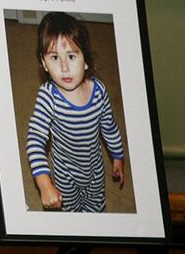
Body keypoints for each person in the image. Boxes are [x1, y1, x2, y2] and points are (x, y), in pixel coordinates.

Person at [26, 12, 124, 212]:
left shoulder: (99, 92)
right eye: (54, 57)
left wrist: (117, 155)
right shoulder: (48, 97)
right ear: (44, 64)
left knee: (95, 210)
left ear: (86, 60)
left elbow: (109, 127)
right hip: (65, 173)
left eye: (71, 56)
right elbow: (35, 139)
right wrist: (45, 185)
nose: (64, 67)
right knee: (71, 216)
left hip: (94, 169)